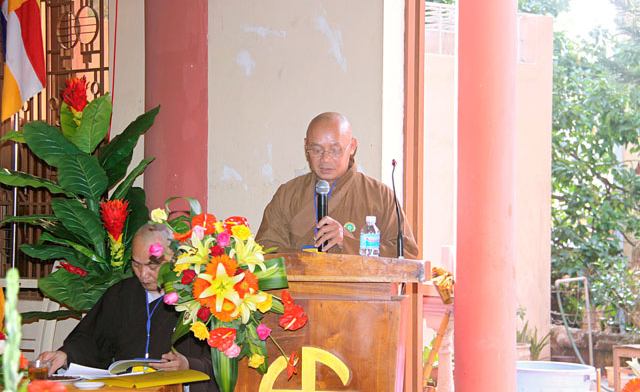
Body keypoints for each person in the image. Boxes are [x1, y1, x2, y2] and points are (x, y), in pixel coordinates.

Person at [37, 223, 218, 392]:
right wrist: (65, 355)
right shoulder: (121, 294)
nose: (143, 275)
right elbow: (91, 341)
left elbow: (223, 363)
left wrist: (188, 365)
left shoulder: (199, 297)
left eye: (152, 266)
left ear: (174, 259)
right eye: (136, 265)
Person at [256, 112, 419, 258]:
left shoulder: (380, 196)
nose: (325, 159)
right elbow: (264, 250)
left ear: (352, 146)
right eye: (317, 150)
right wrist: (307, 260)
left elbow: (407, 254)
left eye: (335, 150)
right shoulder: (288, 194)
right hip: (299, 283)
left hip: (359, 284)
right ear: (306, 146)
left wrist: (347, 242)